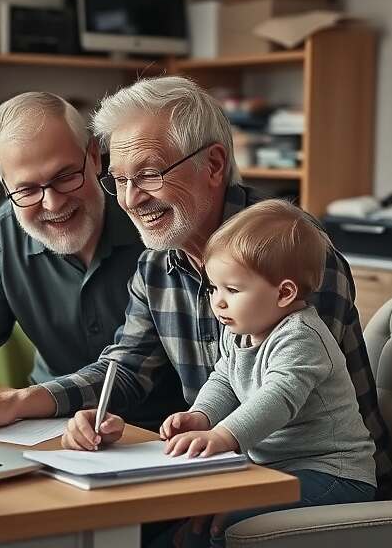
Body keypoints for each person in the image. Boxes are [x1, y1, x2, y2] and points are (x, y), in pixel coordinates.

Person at [0, 77, 392, 499]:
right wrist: (42, 404)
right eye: (120, 180)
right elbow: (128, 369)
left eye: (149, 175)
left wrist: (212, 444)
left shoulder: (293, 252)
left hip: (316, 477)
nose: (130, 199)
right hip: (229, 469)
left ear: (214, 164)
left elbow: (282, 397)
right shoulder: (156, 262)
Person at [0, 92, 185, 431]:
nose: (53, 203)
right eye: (27, 190)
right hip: (48, 424)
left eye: (65, 176)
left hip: (160, 432)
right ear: (5, 187)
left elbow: (130, 368)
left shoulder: (153, 220)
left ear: (94, 157)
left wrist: (17, 401)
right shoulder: (2, 235)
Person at [149, 199, 376, 547]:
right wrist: (201, 416)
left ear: (284, 293)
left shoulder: (302, 337)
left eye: (232, 290)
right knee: (188, 525)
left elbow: (278, 398)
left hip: (334, 474)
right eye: (214, 288)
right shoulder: (239, 329)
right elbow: (224, 379)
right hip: (274, 470)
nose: (218, 301)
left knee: (229, 523)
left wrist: (223, 435)